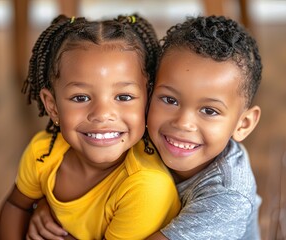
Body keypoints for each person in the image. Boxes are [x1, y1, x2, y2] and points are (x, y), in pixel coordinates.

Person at [28, 15, 263, 240]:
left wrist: (65, 233)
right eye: (170, 100)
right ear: (148, 92)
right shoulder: (133, 132)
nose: (182, 123)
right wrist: (52, 205)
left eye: (209, 111)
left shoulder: (227, 198)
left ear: (243, 124)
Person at [0, 14, 180, 240]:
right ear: (52, 106)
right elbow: (16, 206)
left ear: (148, 98)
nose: (102, 114)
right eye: (81, 98)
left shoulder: (147, 186)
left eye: (123, 96)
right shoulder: (43, 154)